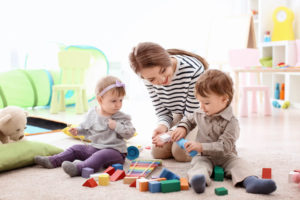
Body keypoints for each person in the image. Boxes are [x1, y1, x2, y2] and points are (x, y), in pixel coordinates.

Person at [172, 69, 277, 194]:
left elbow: (225, 146)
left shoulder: (232, 122)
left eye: (206, 102)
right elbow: (188, 120)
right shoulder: (199, 113)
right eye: (199, 102)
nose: (201, 106)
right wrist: (182, 127)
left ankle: (251, 181)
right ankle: (198, 180)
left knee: (240, 164)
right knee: (199, 165)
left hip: (227, 156)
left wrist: (201, 146)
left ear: (224, 99)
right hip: (204, 156)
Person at [34, 76, 136, 177]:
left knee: (100, 155)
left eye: (121, 100)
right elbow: (87, 130)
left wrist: (116, 126)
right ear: (100, 100)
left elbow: (130, 133)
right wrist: (78, 131)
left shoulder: (122, 117)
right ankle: (53, 161)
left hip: (115, 152)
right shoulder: (93, 113)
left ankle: (79, 168)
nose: (118, 105)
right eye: (113, 101)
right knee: (75, 148)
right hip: (95, 147)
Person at [129, 42, 208, 162]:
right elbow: (162, 111)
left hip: (200, 114)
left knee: (181, 153)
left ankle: (210, 140)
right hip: (181, 113)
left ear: (168, 60)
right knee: (158, 152)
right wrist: (163, 126)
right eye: (152, 79)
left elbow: (194, 111)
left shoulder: (193, 69)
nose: (161, 80)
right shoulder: (147, 79)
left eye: (163, 70)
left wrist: (178, 129)